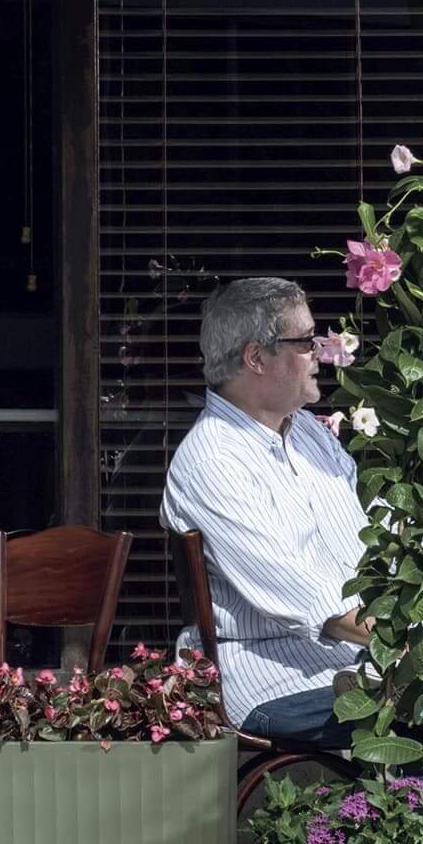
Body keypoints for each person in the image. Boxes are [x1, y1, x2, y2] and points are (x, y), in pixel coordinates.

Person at [159, 276, 371, 748]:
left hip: (351, 661)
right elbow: (305, 597)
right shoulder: (212, 460)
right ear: (256, 358)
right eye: (304, 340)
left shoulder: (310, 437)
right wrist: (413, 641)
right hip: (272, 677)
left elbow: (371, 548)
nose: (319, 350)